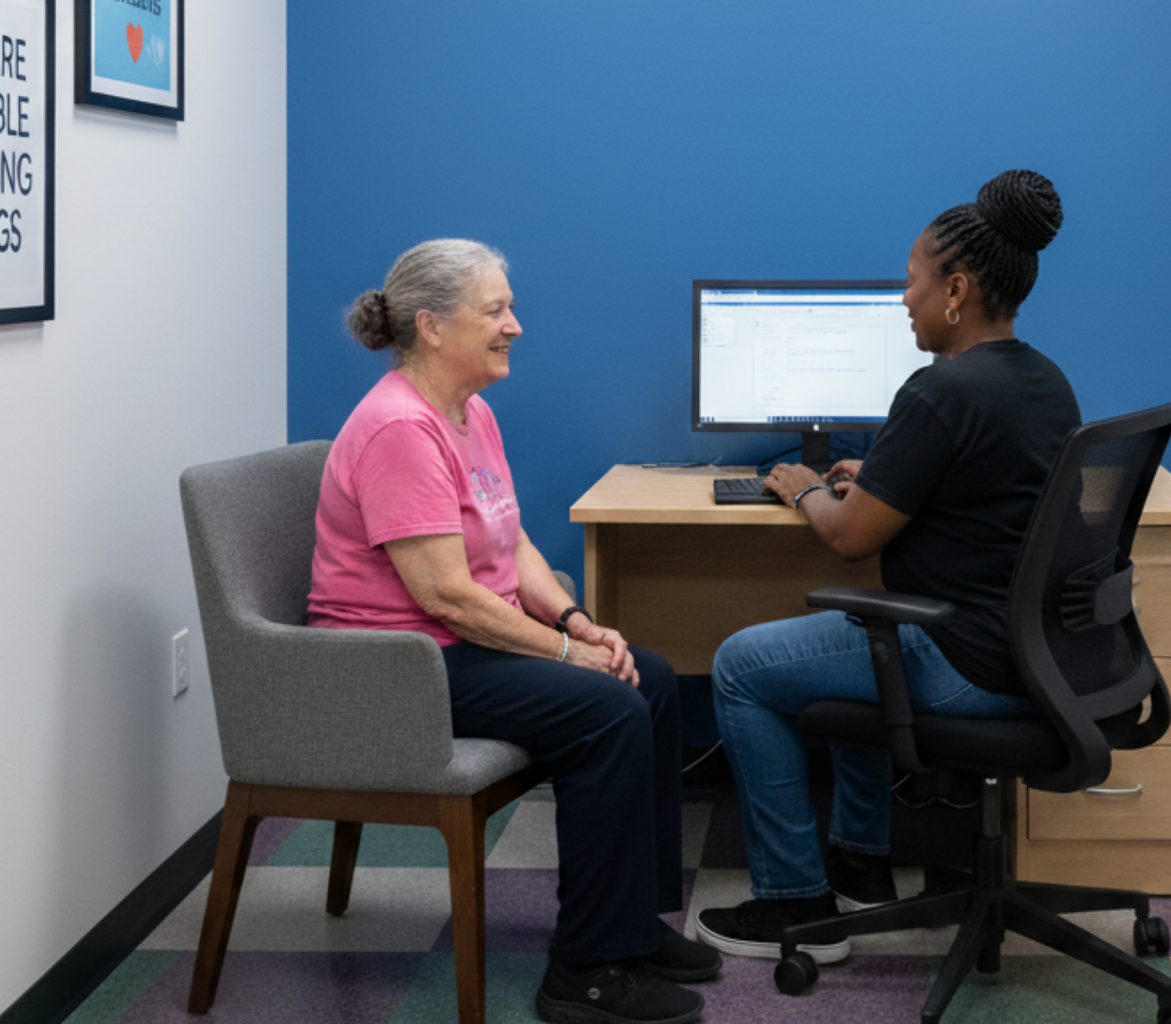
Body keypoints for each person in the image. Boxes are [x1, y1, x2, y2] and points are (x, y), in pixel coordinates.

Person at [307, 239, 718, 1024]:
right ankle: (586, 972)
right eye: (496, 310)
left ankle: (631, 928)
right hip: (400, 665)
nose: (515, 326)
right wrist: (571, 656)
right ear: (431, 325)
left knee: (651, 679)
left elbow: (512, 539)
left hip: (455, 648)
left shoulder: (470, 411)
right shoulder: (401, 428)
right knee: (607, 711)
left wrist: (577, 622)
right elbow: (448, 597)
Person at [694, 170, 1082, 963]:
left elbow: (849, 539)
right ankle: (862, 865)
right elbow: (970, 491)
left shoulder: (941, 391)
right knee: (857, 639)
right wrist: (867, 483)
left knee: (739, 666)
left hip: (962, 657)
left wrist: (805, 489)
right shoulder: (1046, 380)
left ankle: (793, 903)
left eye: (912, 279)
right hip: (1036, 655)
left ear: (957, 288)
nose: (903, 298)